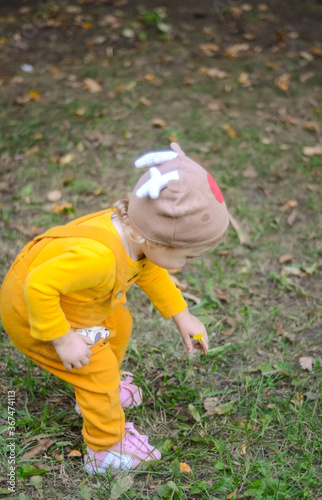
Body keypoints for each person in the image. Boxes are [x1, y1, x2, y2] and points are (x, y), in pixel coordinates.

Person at [0, 142, 229, 474]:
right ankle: (104, 448)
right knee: (97, 370)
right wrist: (63, 339)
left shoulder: (138, 236)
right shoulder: (98, 259)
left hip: (75, 300)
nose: (188, 264)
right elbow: (37, 286)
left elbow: (151, 271)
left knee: (119, 322)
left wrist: (182, 315)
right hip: (31, 311)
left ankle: (103, 388)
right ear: (153, 240)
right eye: (187, 256)